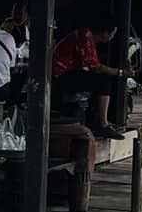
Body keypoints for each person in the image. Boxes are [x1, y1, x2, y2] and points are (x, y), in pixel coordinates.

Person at [50, 11, 135, 139]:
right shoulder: (85, 35)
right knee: (103, 81)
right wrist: (122, 72)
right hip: (59, 76)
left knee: (98, 81)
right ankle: (103, 124)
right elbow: (96, 67)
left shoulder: (85, 35)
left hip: (63, 74)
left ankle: (98, 120)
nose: (112, 36)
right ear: (106, 31)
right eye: (113, 33)